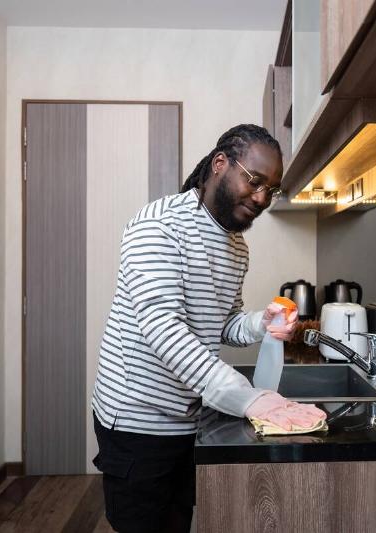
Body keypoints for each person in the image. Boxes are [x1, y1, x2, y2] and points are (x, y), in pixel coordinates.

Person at [91, 124, 326, 532]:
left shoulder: (236, 246)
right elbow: (165, 329)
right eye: (254, 182)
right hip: (137, 421)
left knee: (178, 522)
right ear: (220, 164)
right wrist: (248, 399)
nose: (261, 198)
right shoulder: (158, 227)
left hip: (189, 418)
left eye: (270, 190)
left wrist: (260, 322)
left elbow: (224, 322)